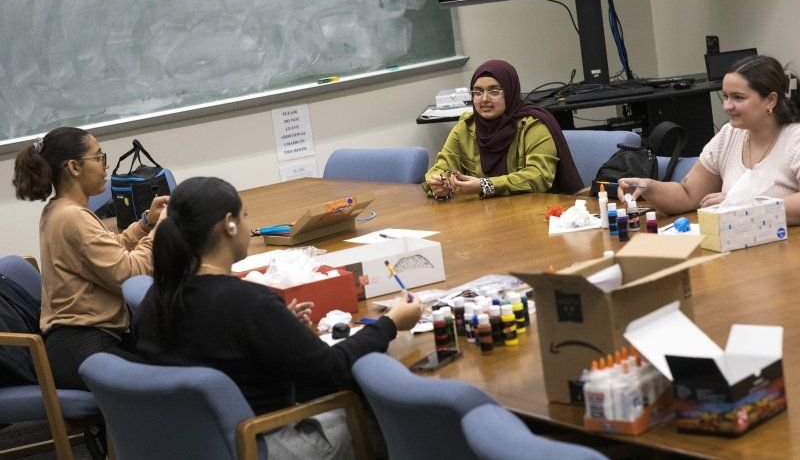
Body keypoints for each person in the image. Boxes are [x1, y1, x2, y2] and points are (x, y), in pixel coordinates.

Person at [133, 177, 422, 459]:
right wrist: (391, 323)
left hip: (187, 444)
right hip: (257, 442)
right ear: (228, 225)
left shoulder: (155, 298)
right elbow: (332, 370)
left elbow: (217, 347)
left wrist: (279, 327)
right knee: (377, 411)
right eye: (246, 216)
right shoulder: (248, 303)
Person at [12, 126, 169, 389]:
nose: (105, 165)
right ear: (74, 166)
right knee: (174, 379)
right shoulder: (72, 217)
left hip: (84, 340)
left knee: (174, 354)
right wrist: (163, 230)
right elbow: (132, 273)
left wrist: (145, 223)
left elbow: (108, 250)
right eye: (98, 157)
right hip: (81, 347)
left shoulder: (61, 209)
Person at [618, 55, 800, 225]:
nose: (727, 106)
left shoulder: (795, 139)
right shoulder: (728, 135)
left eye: (738, 97)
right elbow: (689, 194)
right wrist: (649, 187)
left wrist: (742, 204)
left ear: (771, 100)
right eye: (726, 96)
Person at [423, 59, 583, 199]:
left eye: (494, 91)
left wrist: (486, 185)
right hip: (484, 214)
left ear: (510, 92)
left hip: (533, 213)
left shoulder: (533, 125)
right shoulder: (465, 126)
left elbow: (539, 176)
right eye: (477, 92)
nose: (484, 99)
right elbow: (441, 168)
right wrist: (438, 184)